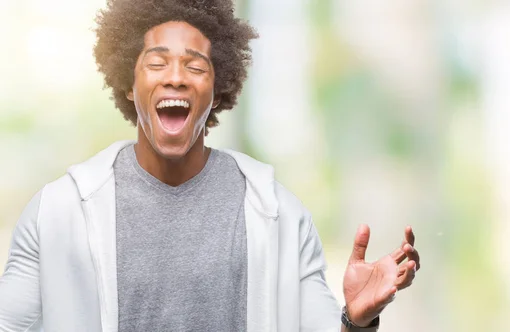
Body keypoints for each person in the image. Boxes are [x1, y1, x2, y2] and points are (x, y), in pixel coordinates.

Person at [0, 0, 421, 331]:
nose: (176, 78)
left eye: (195, 66)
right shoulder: (57, 212)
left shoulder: (281, 216)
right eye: (157, 62)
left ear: (217, 90)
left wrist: (357, 321)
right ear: (130, 84)